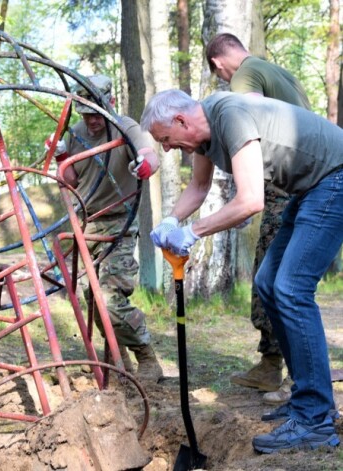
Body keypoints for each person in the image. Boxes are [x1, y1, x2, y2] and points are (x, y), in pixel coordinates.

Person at [141, 89, 342, 453]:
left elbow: (250, 200)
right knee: (268, 284)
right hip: (309, 188)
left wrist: (193, 231)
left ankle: (314, 419)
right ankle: (307, 400)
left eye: (165, 139)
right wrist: (172, 218)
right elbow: (199, 186)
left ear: (182, 121)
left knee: (291, 289)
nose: (168, 149)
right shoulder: (203, 137)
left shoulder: (228, 116)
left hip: (334, 177)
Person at [206, 33, 311, 404]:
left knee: (274, 281)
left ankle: (289, 374)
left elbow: (247, 117)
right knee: (277, 277)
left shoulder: (244, 75)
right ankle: (276, 366)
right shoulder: (279, 72)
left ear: (219, 64)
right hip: (304, 181)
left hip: (286, 188)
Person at [47, 74, 163, 380]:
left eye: (96, 112)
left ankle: (147, 356)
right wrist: (61, 155)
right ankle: (116, 357)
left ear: (108, 103)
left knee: (110, 298)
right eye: (84, 112)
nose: (91, 120)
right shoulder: (75, 134)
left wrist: (146, 164)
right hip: (87, 224)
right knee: (91, 297)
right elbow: (71, 181)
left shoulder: (124, 127)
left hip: (119, 224)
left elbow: (149, 153)